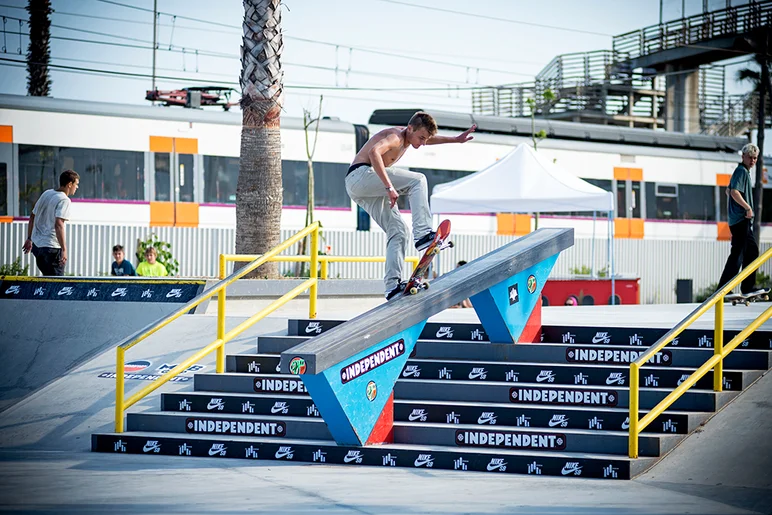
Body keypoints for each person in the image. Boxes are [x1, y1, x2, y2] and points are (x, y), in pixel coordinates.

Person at [345, 111, 476, 300]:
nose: (423, 143)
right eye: (421, 138)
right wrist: (389, 186)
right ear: (410, 128)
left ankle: (392, 286)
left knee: (398, 232)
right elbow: (374, 152)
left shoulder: (411, 137)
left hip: (361, 188)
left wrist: (456, 139)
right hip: (361, 176)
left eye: (425, 139)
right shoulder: (395, 136)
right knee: (418, 180)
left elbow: (430, 139)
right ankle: (422, 233)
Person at [717, 143, 763, 295]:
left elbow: (728, 190)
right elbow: (734, 192)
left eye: (755, 158)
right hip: (740, 220)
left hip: (740, 220)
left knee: (751, 252)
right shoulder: (741, 171)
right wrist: (747, 207)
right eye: (750, 157)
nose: (752, 161)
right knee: (738, 253)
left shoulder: (742, 172)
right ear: (743, 157)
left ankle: (745, 287)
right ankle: (725, 288)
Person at [21, 170, 80, 276]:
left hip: (37, 247)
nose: (77, 187)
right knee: (57, 285)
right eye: (76, 184)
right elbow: (59, 225)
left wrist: (29, 238)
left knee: (47, 281)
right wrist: (64, 249)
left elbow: (32, 216)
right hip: (52, 248)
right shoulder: (64, 200)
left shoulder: (47, 193)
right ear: (69, 184)